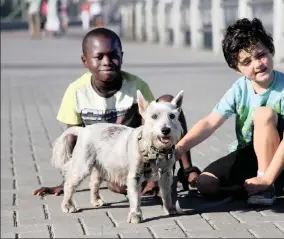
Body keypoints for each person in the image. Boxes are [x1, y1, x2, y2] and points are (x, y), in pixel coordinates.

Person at [32, 28, 199, 197]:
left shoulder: (136, 86)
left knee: (167, 103)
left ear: (121, 57)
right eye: (99, 57)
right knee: (115, 182)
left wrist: (153, 176)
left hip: (138, 151)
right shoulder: (76, 91)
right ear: (85, 61)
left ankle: (185, 171)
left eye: (113, 55)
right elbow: (75, 141)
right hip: (112, 158)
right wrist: (66, 182)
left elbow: (152, 128)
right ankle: (144, 182)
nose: (107, 61)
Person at [175, 18, 284, 206]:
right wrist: (178, 149)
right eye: (247, 62)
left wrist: (266, 178)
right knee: (205, 184)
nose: (257, 64)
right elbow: (210, 123)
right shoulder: (240, 88)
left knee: (263, 114)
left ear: (271, 49)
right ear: (237, 69)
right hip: (250, 154)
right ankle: (275, 183)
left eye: (260, 55)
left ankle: (267, 184)